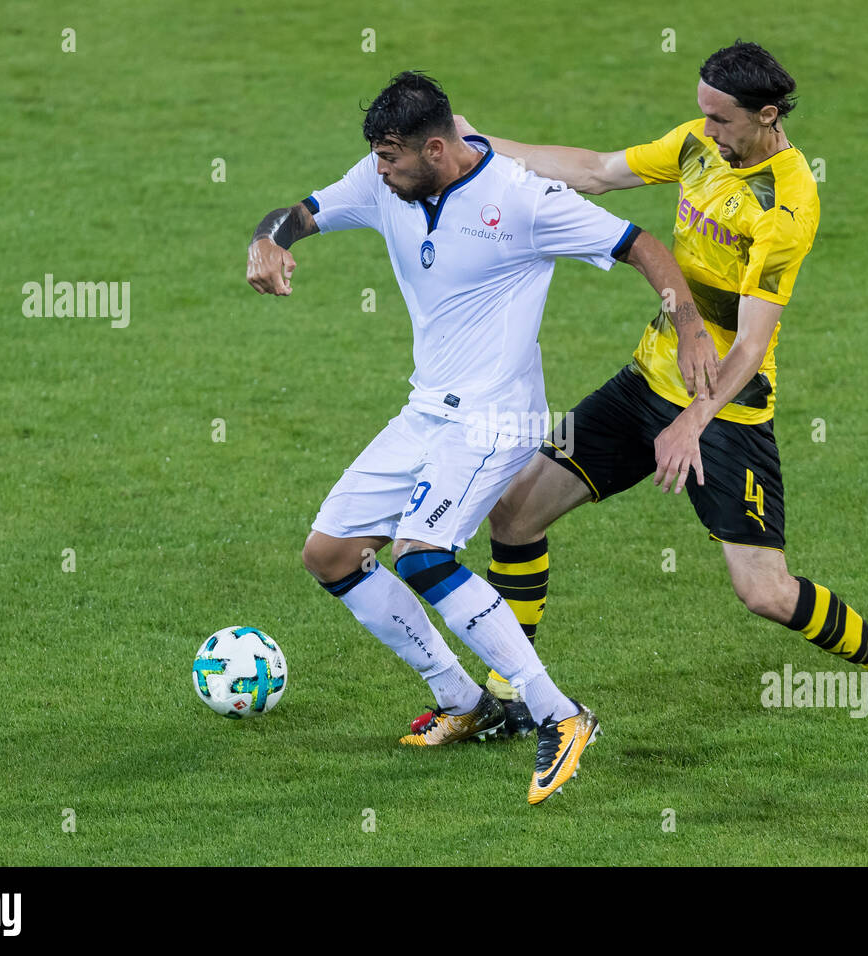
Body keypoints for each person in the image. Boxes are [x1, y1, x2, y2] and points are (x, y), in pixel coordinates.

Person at [447, 40, 868, 752]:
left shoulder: (786, 205)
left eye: (721, 121)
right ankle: (512, 693)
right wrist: (478, 143)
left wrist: (693, 421)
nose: (708, 133)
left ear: (767, 115)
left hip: (726, 410)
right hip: (643, 382)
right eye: (703, 116)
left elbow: (750, 345)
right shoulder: (696, 146)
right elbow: (596, 172)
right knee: (515, 513)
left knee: (765, 592)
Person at [245, 71, 721, 803]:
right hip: (428, 411)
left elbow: (640, 245)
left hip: (499, 415)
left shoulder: (523, 200)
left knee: (423, 555)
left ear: (437, 148)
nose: (379, 171)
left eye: (393, 158)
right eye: (376, 157)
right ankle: (468, 703)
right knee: (331, 553)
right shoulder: (384, 182)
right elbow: (301, 213)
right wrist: (267, 241)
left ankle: (561, 718)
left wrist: (687, 320)